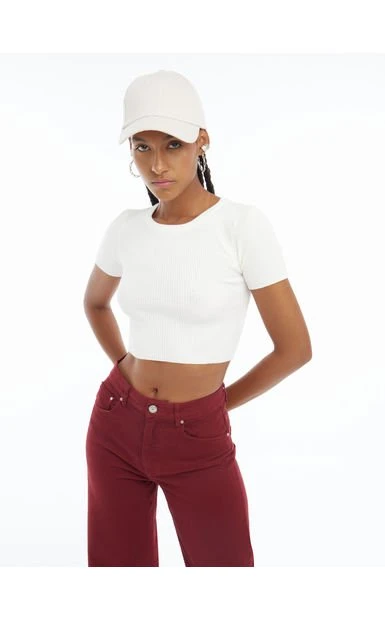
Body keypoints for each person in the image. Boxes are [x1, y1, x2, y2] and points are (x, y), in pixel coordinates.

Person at [83, 69, 312, 567]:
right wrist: (122, 365)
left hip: (199, 435)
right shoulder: (126, 229)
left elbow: (295, 349)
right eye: (141, 148)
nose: (157, 164)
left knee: (224, 570)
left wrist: (217, 405)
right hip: (115, 424)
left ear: (201, 141)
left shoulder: (241, 227)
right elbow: (95, 304)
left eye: (173, 144)